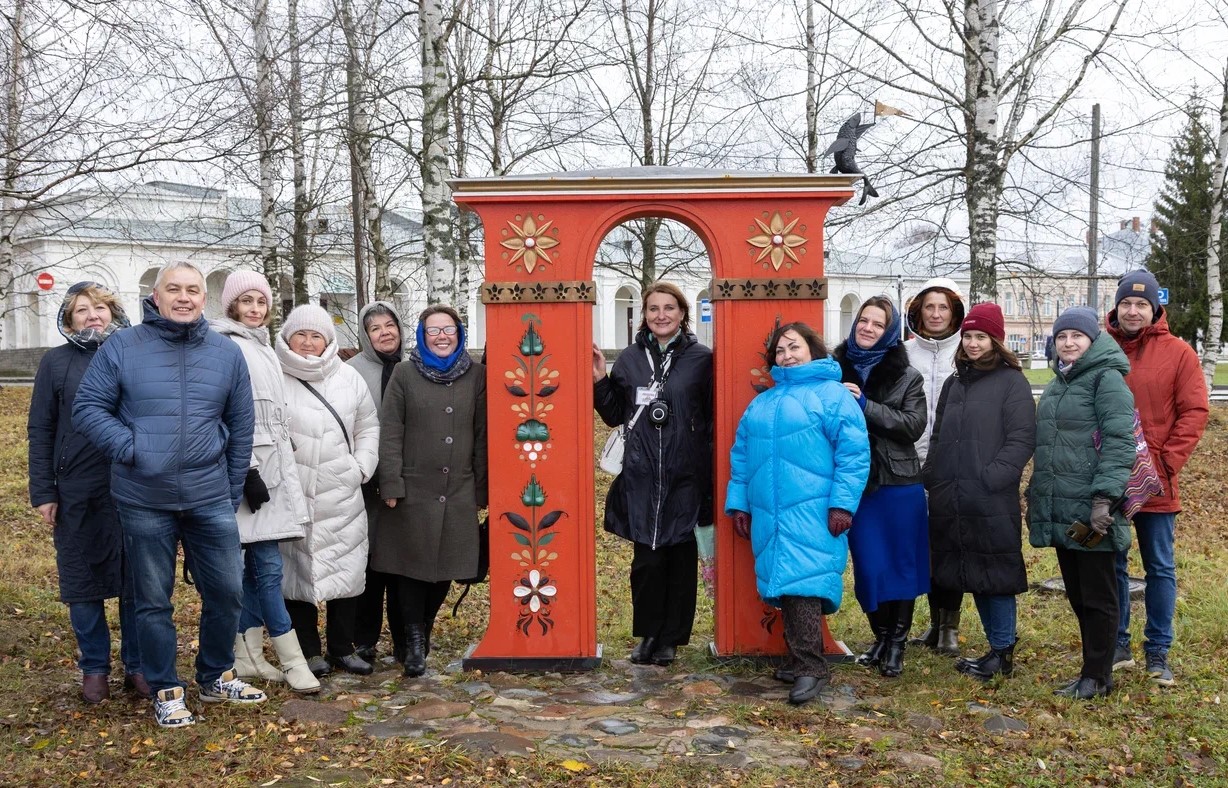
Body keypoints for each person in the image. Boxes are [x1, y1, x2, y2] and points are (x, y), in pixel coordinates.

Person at [72, 262, 265, 729]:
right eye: (173, 289)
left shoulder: (225, 353)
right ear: (154, 297)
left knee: (226, 592)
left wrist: (230, 484)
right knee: (153, 600)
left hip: (208, 496)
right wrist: (131, 448)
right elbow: (88, 407)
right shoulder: (122, 346)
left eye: (193, 290)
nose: (184, 297)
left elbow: (241, 426)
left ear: (206, 299)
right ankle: (165, 689)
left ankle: (215, 675)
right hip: (143, 497)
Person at [727, 322, 870, 705]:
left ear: (813, 349)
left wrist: (842, 503)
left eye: (794, 347)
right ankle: (797, 658)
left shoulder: (832, 396)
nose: (787, 355)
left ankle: (811, 667)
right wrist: (739, 502)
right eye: (780, 350)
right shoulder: (763, 402)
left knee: (804, 583)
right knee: (785, 585)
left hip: (813, 509)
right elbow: (740, 457)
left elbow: (854, 453)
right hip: (769, 511)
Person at [28, 282, 144, 704]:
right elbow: (40, 429)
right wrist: (43, 490)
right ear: (68, 319)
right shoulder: (56, 362)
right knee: (82, 581)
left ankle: (139, 665)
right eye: (81, 310)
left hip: (132, 483)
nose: (93, 315)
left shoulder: (135, 353)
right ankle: (94, 667)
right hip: (77, 487)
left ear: (113, 312)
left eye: (100, 307)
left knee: (137, 580)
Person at [593, 281, 713, 666]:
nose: (661, 315)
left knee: (680, 558)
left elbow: (712, 416)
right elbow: (615, 414)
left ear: (682, 313)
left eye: (669, 308)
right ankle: (647, 634)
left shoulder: (701, 358)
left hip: (684, 473)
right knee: (646, 561)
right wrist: (599, 379)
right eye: (653, 309)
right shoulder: (629, 359)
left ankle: (671, 640)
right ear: (644, 314)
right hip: (643, 474)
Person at [210, 272, 318, 694]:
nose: (255, 308)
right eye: (247, 301)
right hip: (248, 475)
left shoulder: (261, 346)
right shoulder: (228, 346)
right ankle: (293, 662)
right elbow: (226, 414)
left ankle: (248, 656)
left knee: (258, 572)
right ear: (232, 305)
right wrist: (249, 469)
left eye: (261, 301)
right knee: (266, 569)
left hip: (271, 471)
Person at [1105, 270, 1209, 686]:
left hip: (1157, 480)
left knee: (1159, 568)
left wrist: (1165, 464)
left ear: (1154, 308)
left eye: (1141, 304)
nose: (1133, 311)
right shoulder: (1100, 347)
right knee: (1112, 562)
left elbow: (1195, 411)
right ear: (1117, 306)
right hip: (1110, 477)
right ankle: (1118, 643)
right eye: (1126, 304)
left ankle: (1158, 650)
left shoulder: (1179, 353)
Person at [923, 303, 1035, 681]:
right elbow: (938, 436)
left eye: (980, 337)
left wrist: (993, 478)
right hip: (951, 496)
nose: (972, 343)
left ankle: (1002, 652)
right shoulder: (955, 383)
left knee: (995, 575)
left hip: (990, 498)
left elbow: (1021, 439)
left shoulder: (1011, 381)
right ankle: (993, 649)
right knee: (970, 573)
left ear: (995, 340)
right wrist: (932, 476)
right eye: (968, 336)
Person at [1028, 306, 1136, 700]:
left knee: (1098, 594)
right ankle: (1093, 671)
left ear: (1092, 340)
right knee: (1078, 592)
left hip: (1094, 511)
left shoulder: (1106, 380)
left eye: (1076, 336)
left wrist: (1105, 498)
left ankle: (1097, 676)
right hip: (1063, 509)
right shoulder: (1059, 383)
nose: (1068, 343)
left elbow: (1120, 441)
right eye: (1062, 337)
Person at [377, 305, 487, 677]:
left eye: (448, 329)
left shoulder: (477, 376)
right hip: (413, 488)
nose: (441, 336)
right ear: (422, 337)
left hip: (458, 487)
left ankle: (423, 628)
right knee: (410, 569)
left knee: (445, 567)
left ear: (460, 333)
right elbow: (390, 428)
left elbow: (484, 435)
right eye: (433, 331)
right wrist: (390, 481)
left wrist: (482, 488)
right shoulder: (405, 374)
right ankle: (414, 640)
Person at [276, 305, 380, 677]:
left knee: (346, 569)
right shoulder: (275, 373)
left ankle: (342, 647)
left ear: (328, 340)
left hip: (342, 488)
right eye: (300, 335)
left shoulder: (348, 377)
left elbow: (368, 424)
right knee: (296, 571)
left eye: (316, 335)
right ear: (288, 338)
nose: (307, 342)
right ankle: (307, 651)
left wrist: (362, 467)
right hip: (293, 491)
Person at [833, 296, 928, 678]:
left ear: (889, 331)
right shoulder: (834, 369)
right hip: (856, 484)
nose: (868, 328)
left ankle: (896, 645)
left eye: (877, 323)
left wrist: (866, 405)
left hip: (898, 482)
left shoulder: (908, 376)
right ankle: (881, 634)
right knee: (869, 566)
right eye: (863, 321)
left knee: (900, 564)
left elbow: (912, 425)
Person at [903, 278, 967, 655]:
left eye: (944, 307)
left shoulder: (968, 348)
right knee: (921, 548)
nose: (937, 313)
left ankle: (950, 627)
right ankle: (931, 623)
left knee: (949, 545)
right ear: (919, 311)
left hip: (953, 464)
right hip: (909, 462)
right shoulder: (905, 353)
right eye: (930, 306)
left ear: (955, 311)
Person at [348, 302, 409, 665]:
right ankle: (362, 640)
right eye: (375, 328)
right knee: (367, 562)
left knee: (400, 563)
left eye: (390, 325)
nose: (385, 333)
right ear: (365, 335)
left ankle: (405, 640)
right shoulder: (351, 372)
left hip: (404, 479)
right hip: (365, 482)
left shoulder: (412, 368)